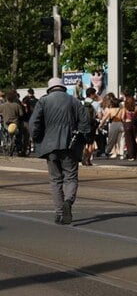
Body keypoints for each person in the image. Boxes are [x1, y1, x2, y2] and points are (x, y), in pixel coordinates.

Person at [30, 77, 90, 225]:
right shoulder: (74, 101)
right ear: (63, 87)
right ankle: (68, 201)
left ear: (50, 89)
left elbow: (33, 123)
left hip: (49, 145)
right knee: (70, 177)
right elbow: (85, 122)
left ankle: (59, 213)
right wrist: (84, 138)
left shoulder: (43, 101)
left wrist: (37, 138)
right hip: (70, 144)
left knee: (55, 180)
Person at [0, 89, 23, 154]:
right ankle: (19, 149)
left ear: (7, 98)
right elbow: (21, 114)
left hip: (6, 123)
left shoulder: (2, 106)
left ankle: (4, 143)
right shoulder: (17, 105)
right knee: (19, 135)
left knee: (4, 132)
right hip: (15, 124)